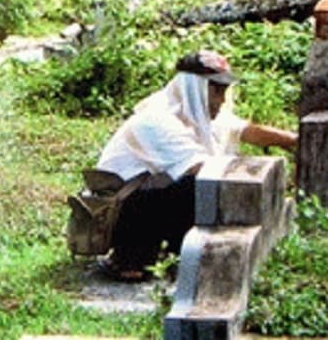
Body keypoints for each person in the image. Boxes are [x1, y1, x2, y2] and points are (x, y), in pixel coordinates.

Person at [95, 49, 297, 280]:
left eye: (224, 91)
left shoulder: (195, 113)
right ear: (196, 88)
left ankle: (177, 253)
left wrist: (294, 140)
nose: (222, 100)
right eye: (217, 91)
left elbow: (247, 131)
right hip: (120, 211)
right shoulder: (157, 121)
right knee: (196, 186)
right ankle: (130, 258)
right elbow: (205, 171)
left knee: (198, 187)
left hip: (148, 197)